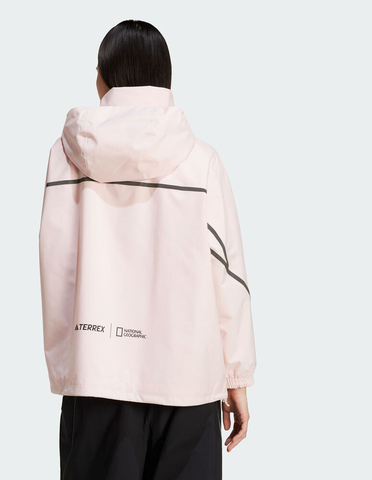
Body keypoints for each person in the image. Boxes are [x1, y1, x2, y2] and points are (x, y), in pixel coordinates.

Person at [39, 19, 257, 480]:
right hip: (188, 381)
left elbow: (55, 263)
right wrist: (236, 375)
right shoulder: (200, 160)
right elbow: (227, 275)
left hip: (96, 376)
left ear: (104, 78)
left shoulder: (66, 155)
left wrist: (73, 358)